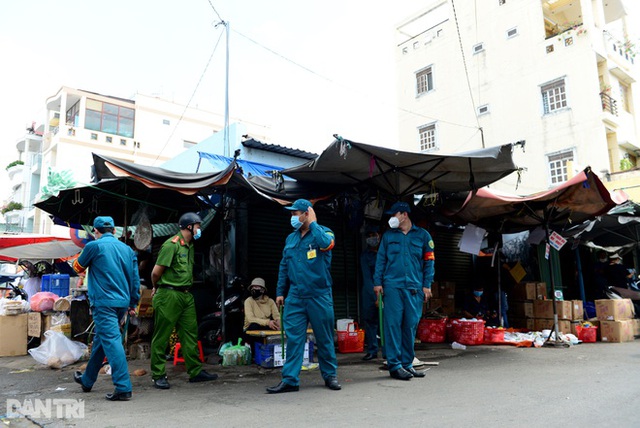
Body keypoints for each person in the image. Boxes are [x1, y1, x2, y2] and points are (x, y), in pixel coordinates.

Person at [266, 199, 341, 393]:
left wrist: (314, 223)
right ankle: (290, 379)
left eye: (296, 213)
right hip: (296, 296)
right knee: (294, 339)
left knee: (324, 338)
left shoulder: (325, 232)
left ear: (307, 213)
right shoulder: (290, 239)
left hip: (319, 295)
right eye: (291, 214)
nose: (293, 217)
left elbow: (326, 244)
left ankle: (330, 376)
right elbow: (284, 266)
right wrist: (280, 292)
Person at [72, 216, 140, 401]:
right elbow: (135, 280)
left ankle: (123, 387)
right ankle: (87, 380)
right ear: (113, 230)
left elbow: (76, 266)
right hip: (122, 304)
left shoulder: (94, 246)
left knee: (111, 341)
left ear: (95, 231)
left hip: (103, 303)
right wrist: (133, 303)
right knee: (103, 341)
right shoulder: (127, 250)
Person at [150, 212, 218, 389]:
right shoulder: (170, 245)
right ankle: (158, 374)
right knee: (162, 336)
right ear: (189, 226)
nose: (199, 229)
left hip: (186, 294)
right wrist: (155, 287)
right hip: (168, 294)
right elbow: (156, 272)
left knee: (190, 334)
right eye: (198, 226)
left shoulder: (190, 246)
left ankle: (195, 371)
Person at [374, 201, 434, 381]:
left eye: (394, 215)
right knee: (392, 325)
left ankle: (407, 364)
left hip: (414, 288)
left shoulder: (423, 236)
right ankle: (394, 365)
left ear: (404, 215)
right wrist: (377, 283)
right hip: (392, 286)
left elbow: (429, 262)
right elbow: (380, 260)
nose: (392, 218)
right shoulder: (388, 236)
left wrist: (427, 285)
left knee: (410, 326)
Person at [360, 224, 382, 361]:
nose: (371, 239)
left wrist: (381, 296)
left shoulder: (385, 254)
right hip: (369, 291)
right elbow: (366, 277)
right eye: (368, 236)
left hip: (385, 291)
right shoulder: (365, 256)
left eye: (373, 235)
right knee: (370, 321)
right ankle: (373, 350)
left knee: (386, 323)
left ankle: (388, 352)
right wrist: (374, 296)